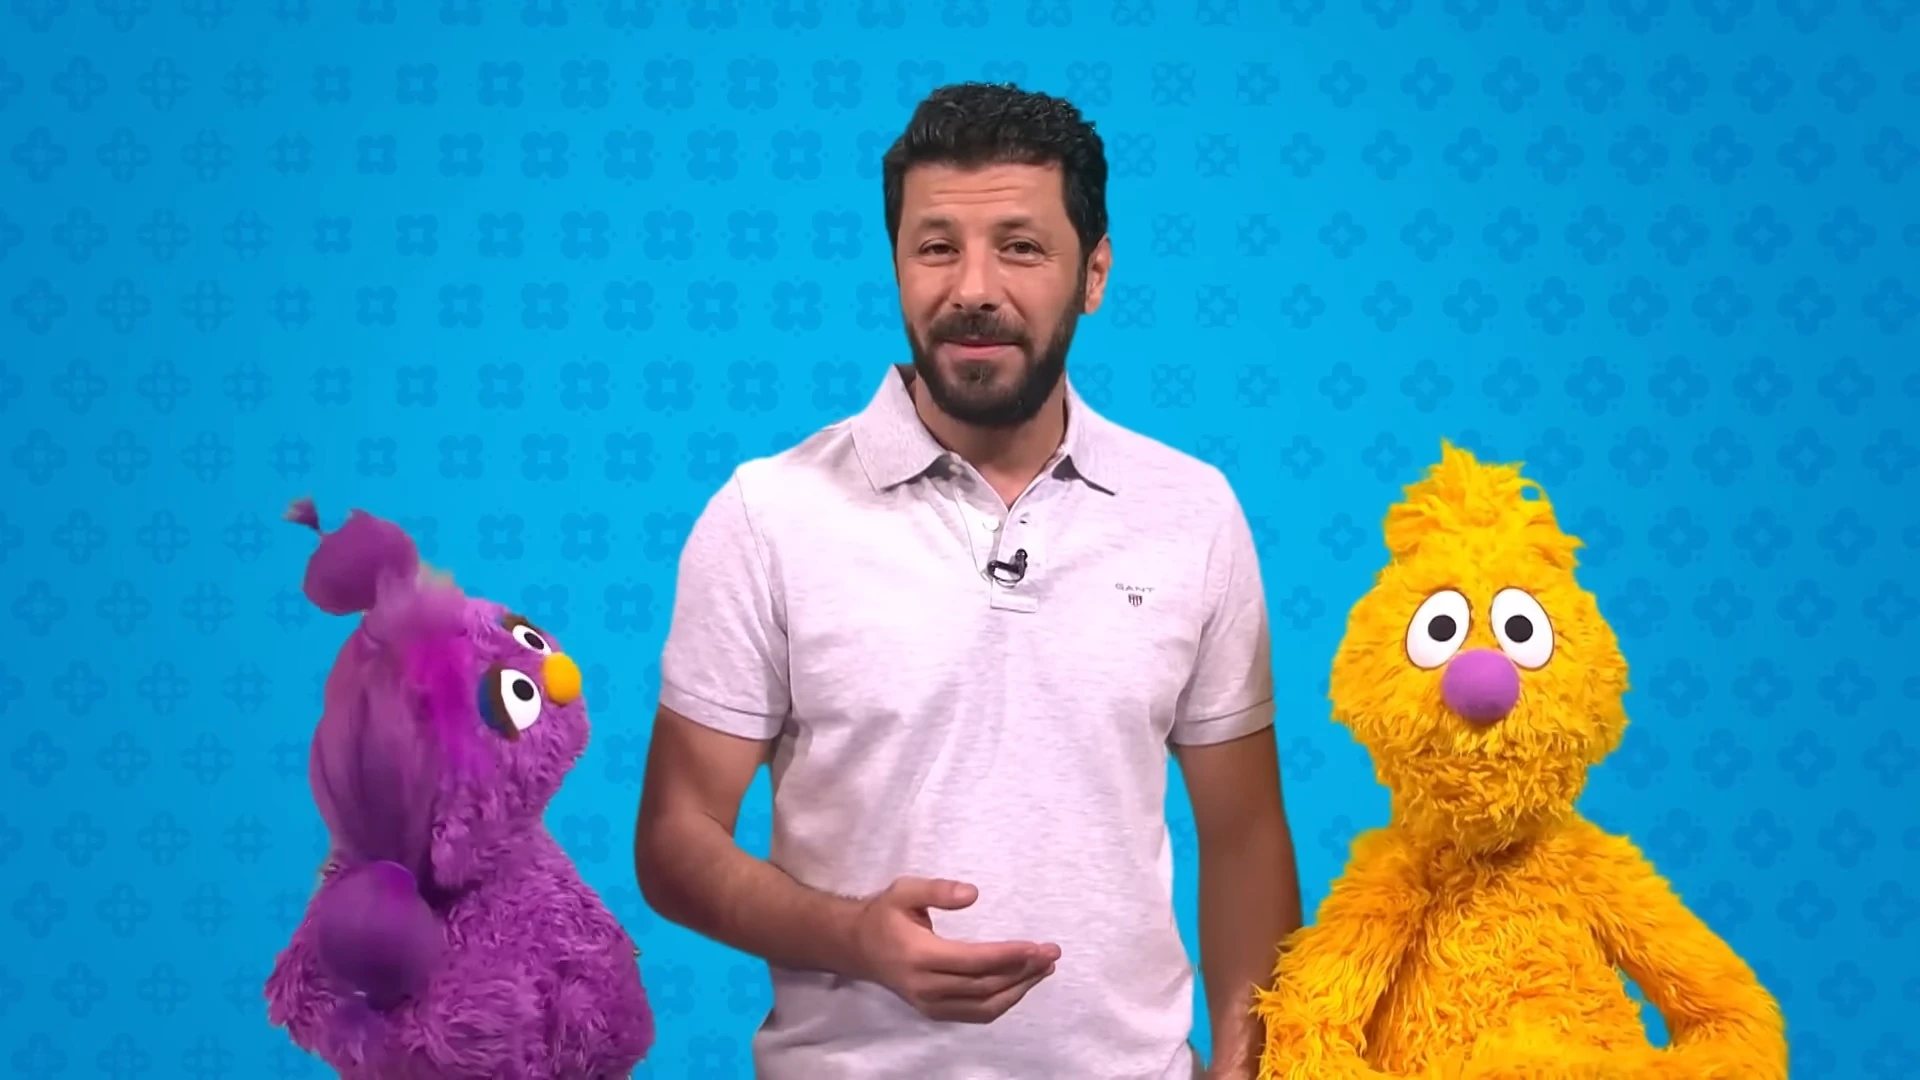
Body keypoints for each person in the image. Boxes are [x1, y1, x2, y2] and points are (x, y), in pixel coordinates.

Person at [633, 82, 1302, 1080]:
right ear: (897, 263)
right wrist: (853, 936)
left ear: (1094, 273)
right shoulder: (766, 514)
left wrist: (1251, 1069)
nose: (972, 287)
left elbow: (1242, 835)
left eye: (1020, 247)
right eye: (936, 246)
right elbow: (675, 839)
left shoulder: (1192, 512)